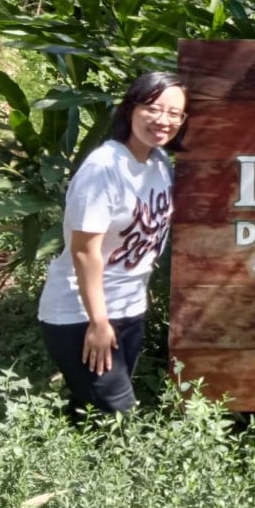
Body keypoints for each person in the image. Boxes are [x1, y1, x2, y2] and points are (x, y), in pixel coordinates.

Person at [38, 71, 187, 417]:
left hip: (129, 307)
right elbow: (84, 251)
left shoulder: (158, 162)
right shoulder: (104, 168)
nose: (163, 120)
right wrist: (98, 322)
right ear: (130, 108)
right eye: (153, 108)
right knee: (118, 414)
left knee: (91, 410)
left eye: (174, 113)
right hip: (81, 312)